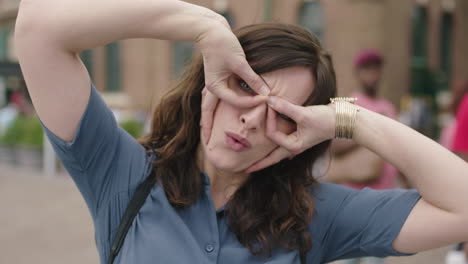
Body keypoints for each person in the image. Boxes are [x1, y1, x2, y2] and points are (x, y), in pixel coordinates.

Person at [15, 1, 468, 264]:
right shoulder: (124, 174)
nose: (252, 118)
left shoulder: (312, 216)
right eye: (243, 87)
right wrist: (204, 26)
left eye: (283, 113)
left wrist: (350, 119)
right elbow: (38, 27)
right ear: (207, 84)